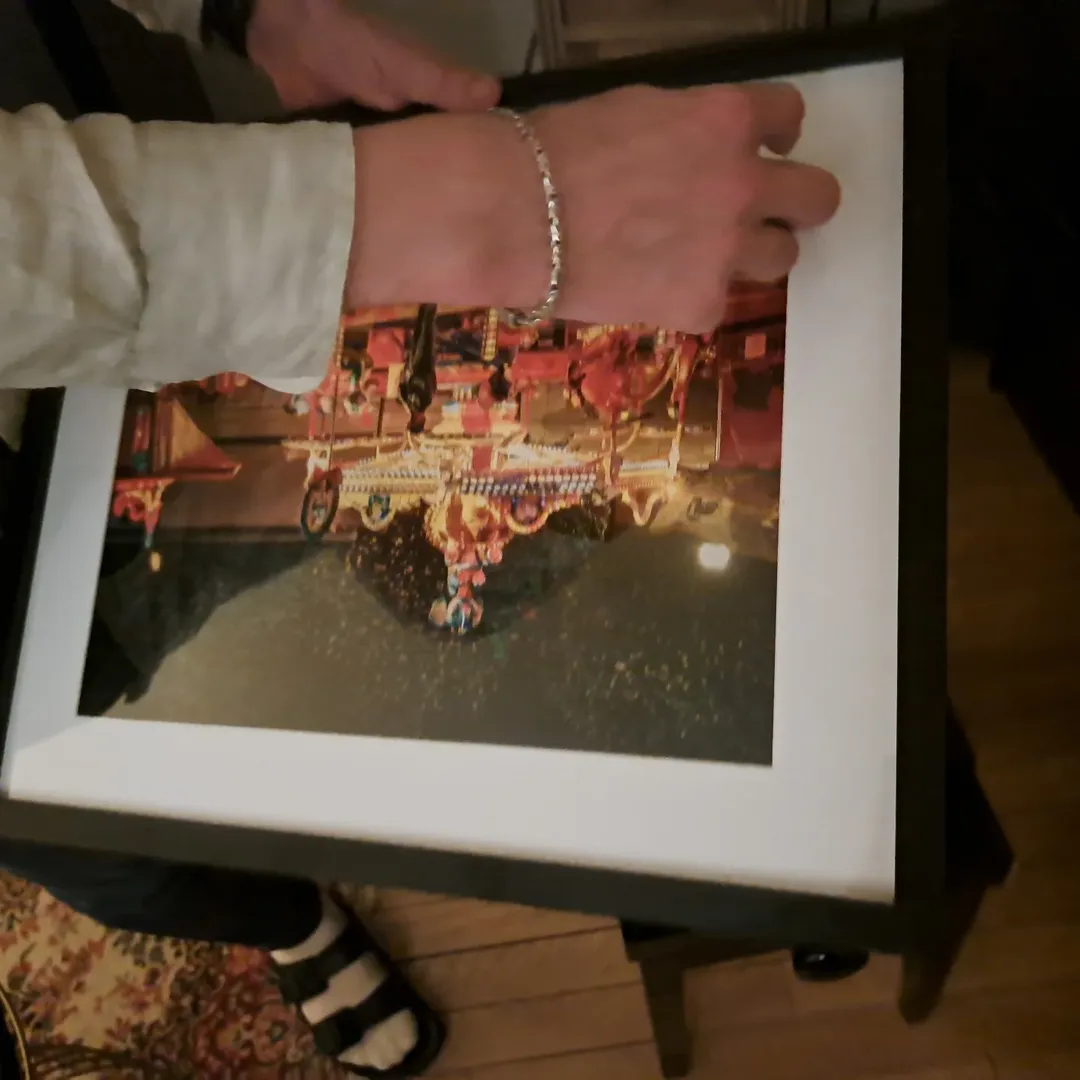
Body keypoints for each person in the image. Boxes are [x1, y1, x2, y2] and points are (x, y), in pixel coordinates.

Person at [0, 1, 842, 1076]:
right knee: (90, 827)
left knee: (420, 597)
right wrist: (445, 210)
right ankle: (283, 917)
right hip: (134, 290)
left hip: (137, 235)